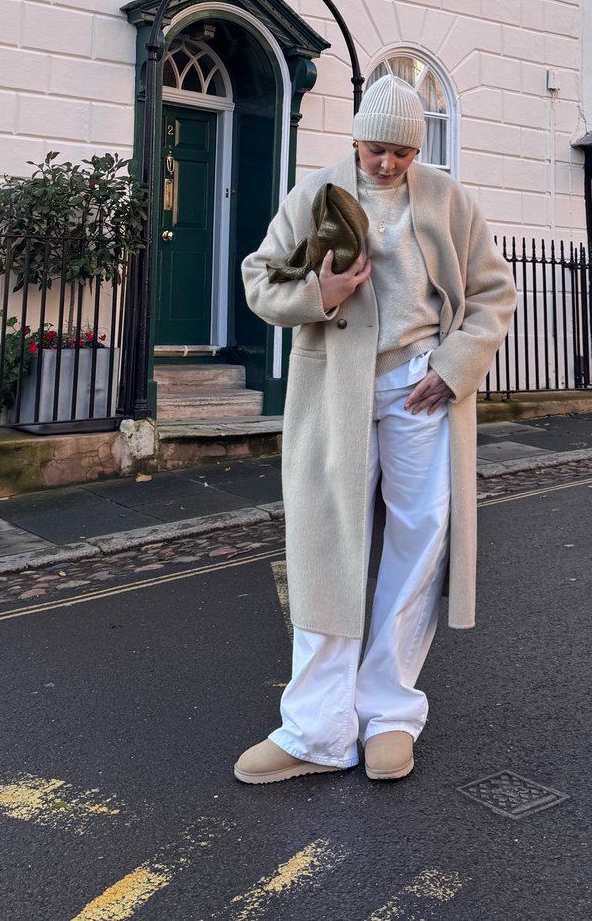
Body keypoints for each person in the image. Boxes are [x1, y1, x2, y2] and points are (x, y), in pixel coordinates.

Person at [236, 74, 516, 784]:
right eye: (374, 149)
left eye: (400, 152)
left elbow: (492, 294)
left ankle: (389, 713)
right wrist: (316, 295)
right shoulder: (316, 193)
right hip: (337, 385)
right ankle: (315, 731)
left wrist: (455, 366)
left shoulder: (449, 200)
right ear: (353, 138)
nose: (387, 164)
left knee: (419, 539)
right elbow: (258, 277)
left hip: (421, 388)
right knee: (328, 543)